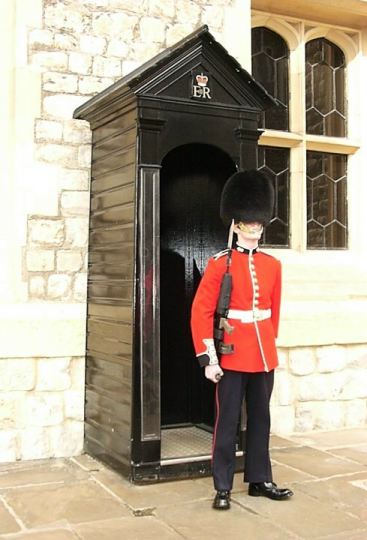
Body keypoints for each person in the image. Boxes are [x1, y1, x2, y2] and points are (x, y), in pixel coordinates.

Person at [191, 169, 293, 510]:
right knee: (228, 420)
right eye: (248, 222)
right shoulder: (220, 263)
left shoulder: (273, 264)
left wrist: (269, 348)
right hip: (232, 355)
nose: (254, 228)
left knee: (261, 419)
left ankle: (260, 479)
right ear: (236, 224)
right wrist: (209, 358)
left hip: (263, 354)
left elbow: (272, 314)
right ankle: (222, 485)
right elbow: (201, 312)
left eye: (258, 223)